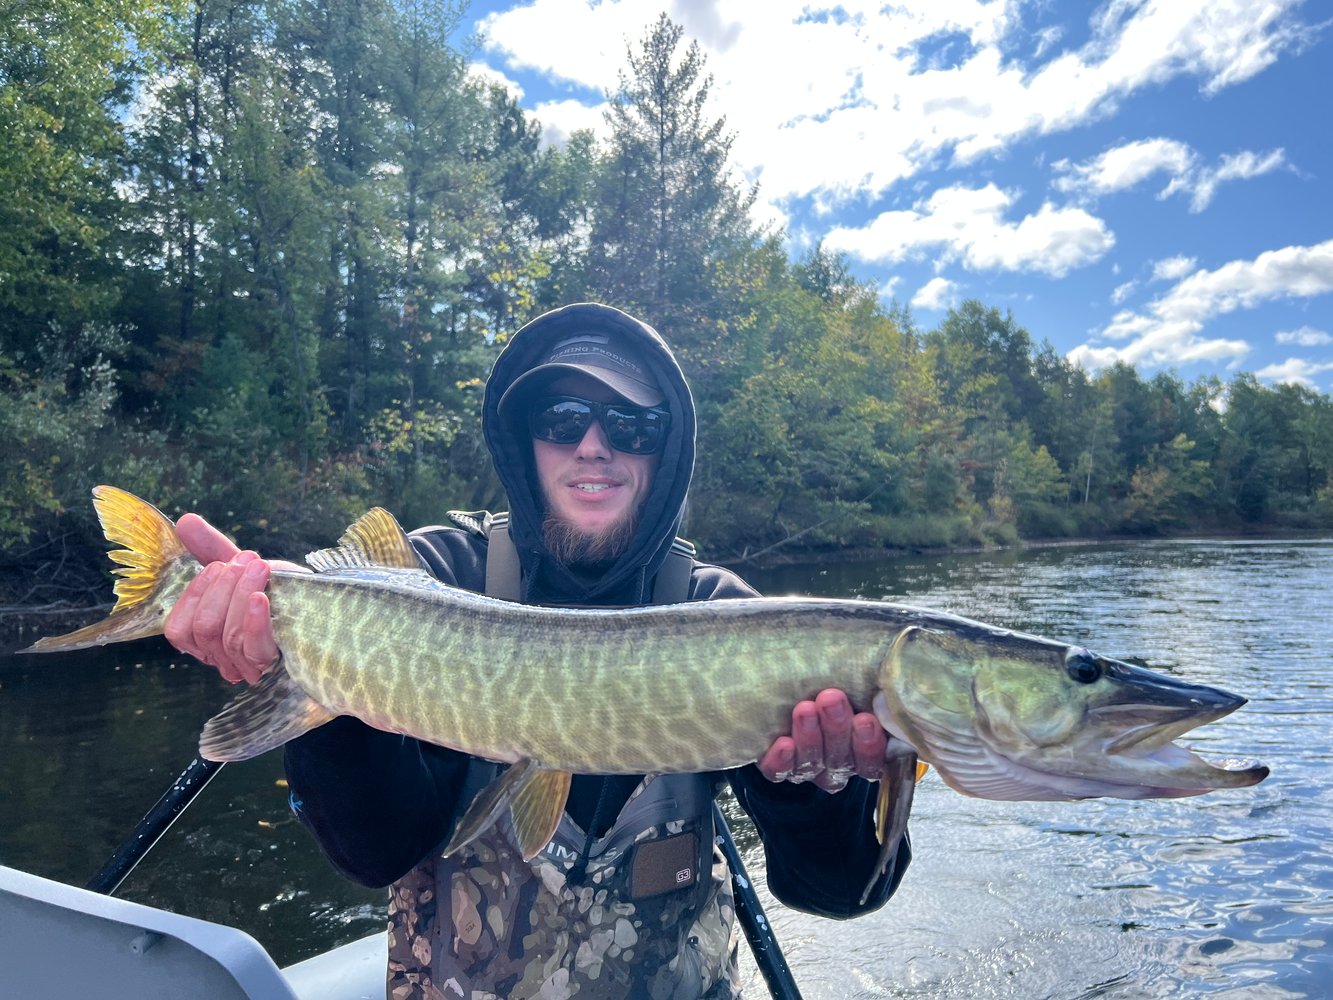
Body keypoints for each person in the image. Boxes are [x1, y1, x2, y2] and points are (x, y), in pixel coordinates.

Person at [164, 303, 911, 999]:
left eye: (631, 425)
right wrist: (317, 660)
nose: (595, 444)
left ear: (665, 453)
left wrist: (817, 790)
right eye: (562, 419)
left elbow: (840, 892)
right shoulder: (431, 577)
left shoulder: (723, 615)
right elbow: (373, 854)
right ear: (523, 441)